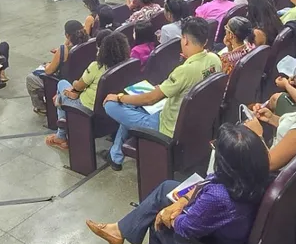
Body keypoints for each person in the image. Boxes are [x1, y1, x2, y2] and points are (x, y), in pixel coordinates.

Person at [86, 123, 268, 244]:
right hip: (222, 231)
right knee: (167, 188)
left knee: (156, 219)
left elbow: (186, 229)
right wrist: (184, 200)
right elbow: (212, 179)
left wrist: (169, 216)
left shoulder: (218, 197)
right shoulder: (251, 175)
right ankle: (119, 231)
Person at [103, 18, 221, 170]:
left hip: (166, 126)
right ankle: (115, 155)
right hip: (191, 119)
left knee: (111, 104)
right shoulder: (214, 59)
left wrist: (119, 97)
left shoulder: (185, 71)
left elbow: (150, 99)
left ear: (185, 40)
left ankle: (115, 155)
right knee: (131, 105)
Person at [45, 31, 129, 150]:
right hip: (110, 111)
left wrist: (73, 86)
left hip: (85, 110)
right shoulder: (126, 65)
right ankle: (60, 102)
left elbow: (78, 86)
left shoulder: (96, 66)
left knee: (62, 84)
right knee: (62, 95)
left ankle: (61, 136)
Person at [26, 20, 87, 114]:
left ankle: (41, 107)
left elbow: (48, 72)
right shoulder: (89, 43)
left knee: (31, 78)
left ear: (67, 35)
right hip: (81, 78)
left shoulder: (63, 50)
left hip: (63, 82)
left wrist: (47, 65)